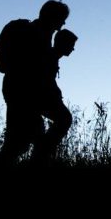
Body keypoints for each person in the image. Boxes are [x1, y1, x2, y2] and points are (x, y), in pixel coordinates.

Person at [0, 0, 70, 166]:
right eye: (61, 20)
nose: (62, 25)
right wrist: (56, 53)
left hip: (17, 90)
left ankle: (34, 164)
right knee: (19, 143)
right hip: (23, 93)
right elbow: (36, 70)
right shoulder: (36, 34)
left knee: (19, 143)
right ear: (52, 17)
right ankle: (35, 165)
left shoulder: (42, 34)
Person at [32, 28, 77, 161]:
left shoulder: (52, 57)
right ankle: (41, 156)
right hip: (38, 100)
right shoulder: (49, 57)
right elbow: (43, 80)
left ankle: (40, 156)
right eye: (71, 45)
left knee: (39, 135)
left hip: (39, 100)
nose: (73, 49)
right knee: (65, 119)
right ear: (63, 43)